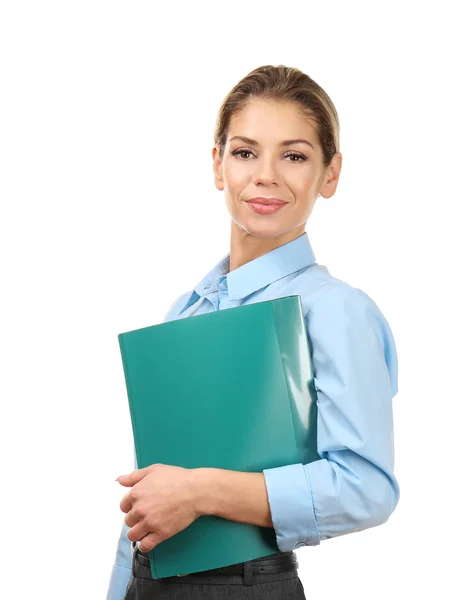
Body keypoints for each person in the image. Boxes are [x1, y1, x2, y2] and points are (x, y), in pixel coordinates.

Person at [106, 64, 399, 600]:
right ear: (218, 165)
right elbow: (149, 497)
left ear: (330, 174)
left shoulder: (334, 310)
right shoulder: (185, 312)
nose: (265, 175)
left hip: (242, 587)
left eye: (294, 155)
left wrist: (201, 492)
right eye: (245, 152)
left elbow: (367, 488)